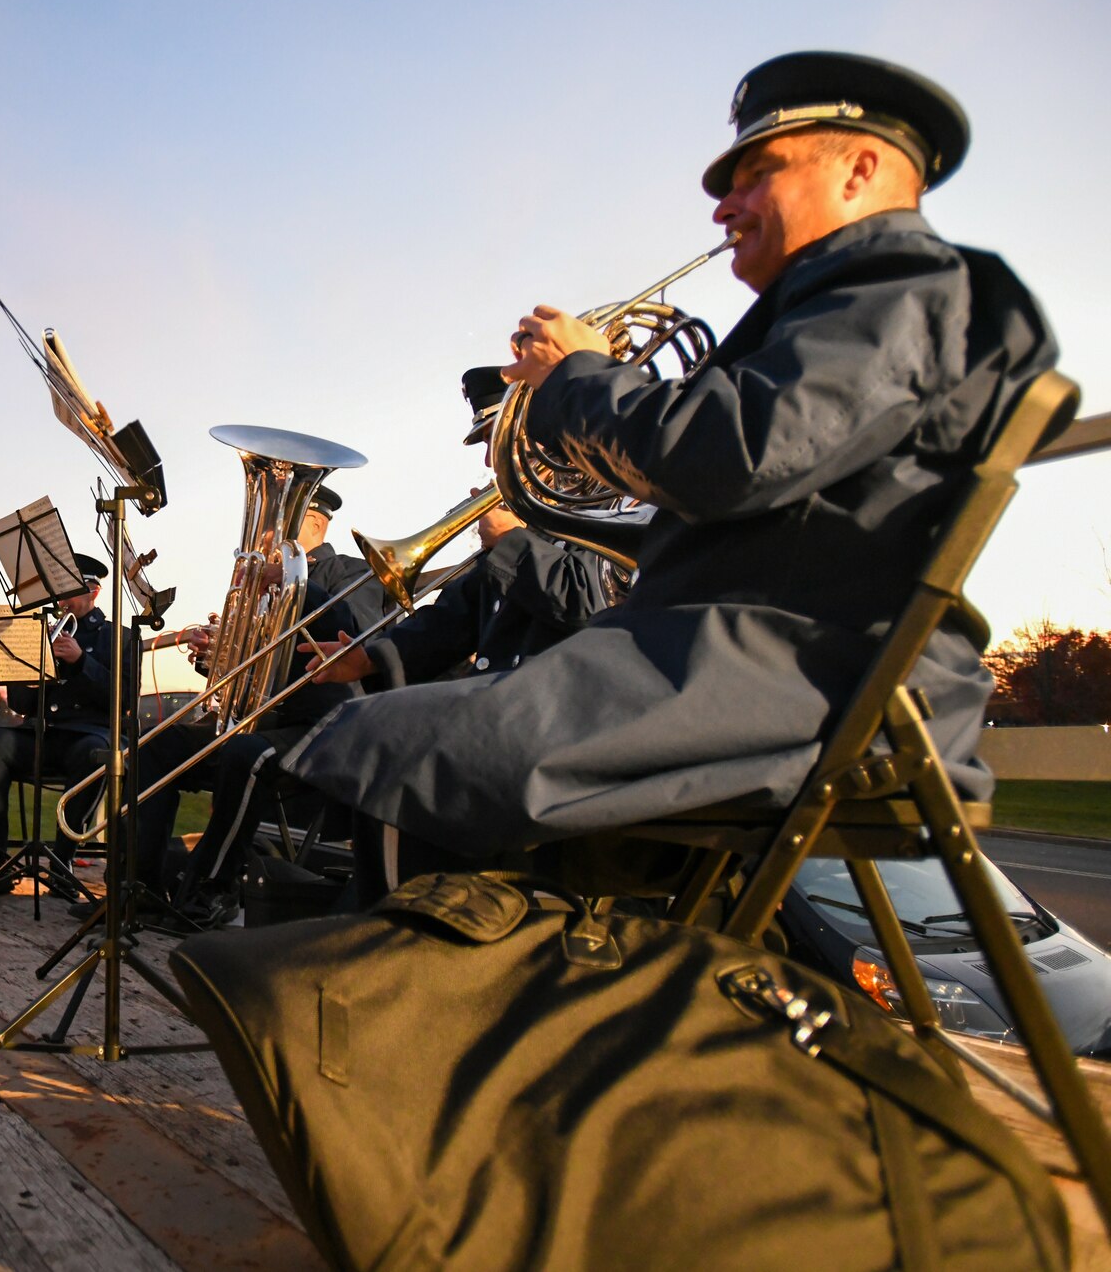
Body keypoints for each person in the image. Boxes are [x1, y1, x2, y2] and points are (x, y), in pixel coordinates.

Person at [283, 50, 1057, 861]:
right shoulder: (843, 305)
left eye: (755, 174)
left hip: (812, 684)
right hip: (763, 662)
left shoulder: (906, 286)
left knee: (385, 747)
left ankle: (441, 976)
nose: (724, 207)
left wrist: (580, 379)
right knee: (374, 741)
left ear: (860, 169)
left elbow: (734, 454)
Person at [301, 367, 613, 893]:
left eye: (498, 441)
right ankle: (392, 926)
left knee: (390, 744)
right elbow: (453, 620)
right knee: (369, 732)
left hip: (568, 722)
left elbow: (594, 605)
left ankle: (396, 933)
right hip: (511, 716)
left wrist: (511, 544)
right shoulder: (532, 523)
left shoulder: (607, 505)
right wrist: (368, 657)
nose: (489, 461)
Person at [124, 567, 363, 929]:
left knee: (247, 755)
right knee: (157, 744)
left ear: (312, 521)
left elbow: (355, 628)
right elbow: (258, 666)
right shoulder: (259, 585)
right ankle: (142, 886)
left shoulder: (340, 571)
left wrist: (296, 584)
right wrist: (216, 657)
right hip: (253, 719)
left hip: (314, 724)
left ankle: (212, 888)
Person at [0, 553, 116, 902]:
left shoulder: (117, 636)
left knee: (93, 755)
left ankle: (63, 861)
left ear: (93, 591)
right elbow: (23, 706)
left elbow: (122, 698)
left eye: (68, 590)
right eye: (58, 589)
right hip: (42, 732)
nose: (60, 598)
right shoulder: (40, 634)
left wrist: (81, 661)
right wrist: (15, 671)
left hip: (88, 733)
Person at [300, 484, 386, 632]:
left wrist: (297, 587)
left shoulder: (351, 570)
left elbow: (357, 632)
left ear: (316, 525)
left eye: (279, 520)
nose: (268, 531)